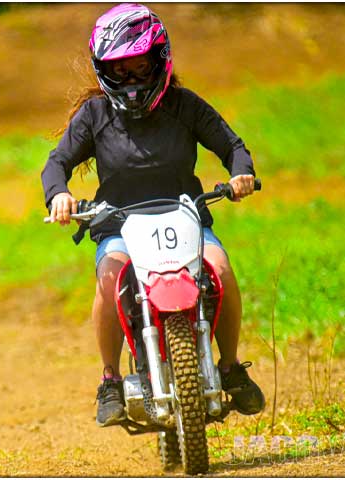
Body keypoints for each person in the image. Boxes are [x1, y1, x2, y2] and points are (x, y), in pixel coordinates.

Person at [41, 3, 265, 427]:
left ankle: (232, 367)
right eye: (118, 69)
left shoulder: (186, 106)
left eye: (139, 65)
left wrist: (241, 174)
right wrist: (60, 195)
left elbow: (233, 147)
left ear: (159, 59)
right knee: (110, 282)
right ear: (103, 71)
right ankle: (109, 378)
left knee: (221, 270)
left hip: (185, 216)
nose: (130, 79)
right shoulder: (94, 116)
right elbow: (56, 164)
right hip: (118, 223)